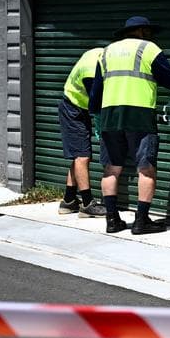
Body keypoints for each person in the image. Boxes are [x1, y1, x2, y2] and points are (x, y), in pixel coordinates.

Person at [88, 16, 170, 235]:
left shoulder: (106, 52)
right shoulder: (149, 49)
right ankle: (141, 221)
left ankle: (112, 220)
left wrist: (97, 118)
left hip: (109, 116)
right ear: (142, 31)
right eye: (149, 31)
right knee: (146, 168)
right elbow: (169, 78)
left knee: (111, 169)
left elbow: (96, 91)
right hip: (139, 115)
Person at [56, 46, 108, 218]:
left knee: (79, 156)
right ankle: (87, 204)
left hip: (79, 106)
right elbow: (96, 102)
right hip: (73, 107)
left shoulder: (101, 55)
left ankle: (69, 201)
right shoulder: (91, 71)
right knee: (82, 156)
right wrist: (100, 124)